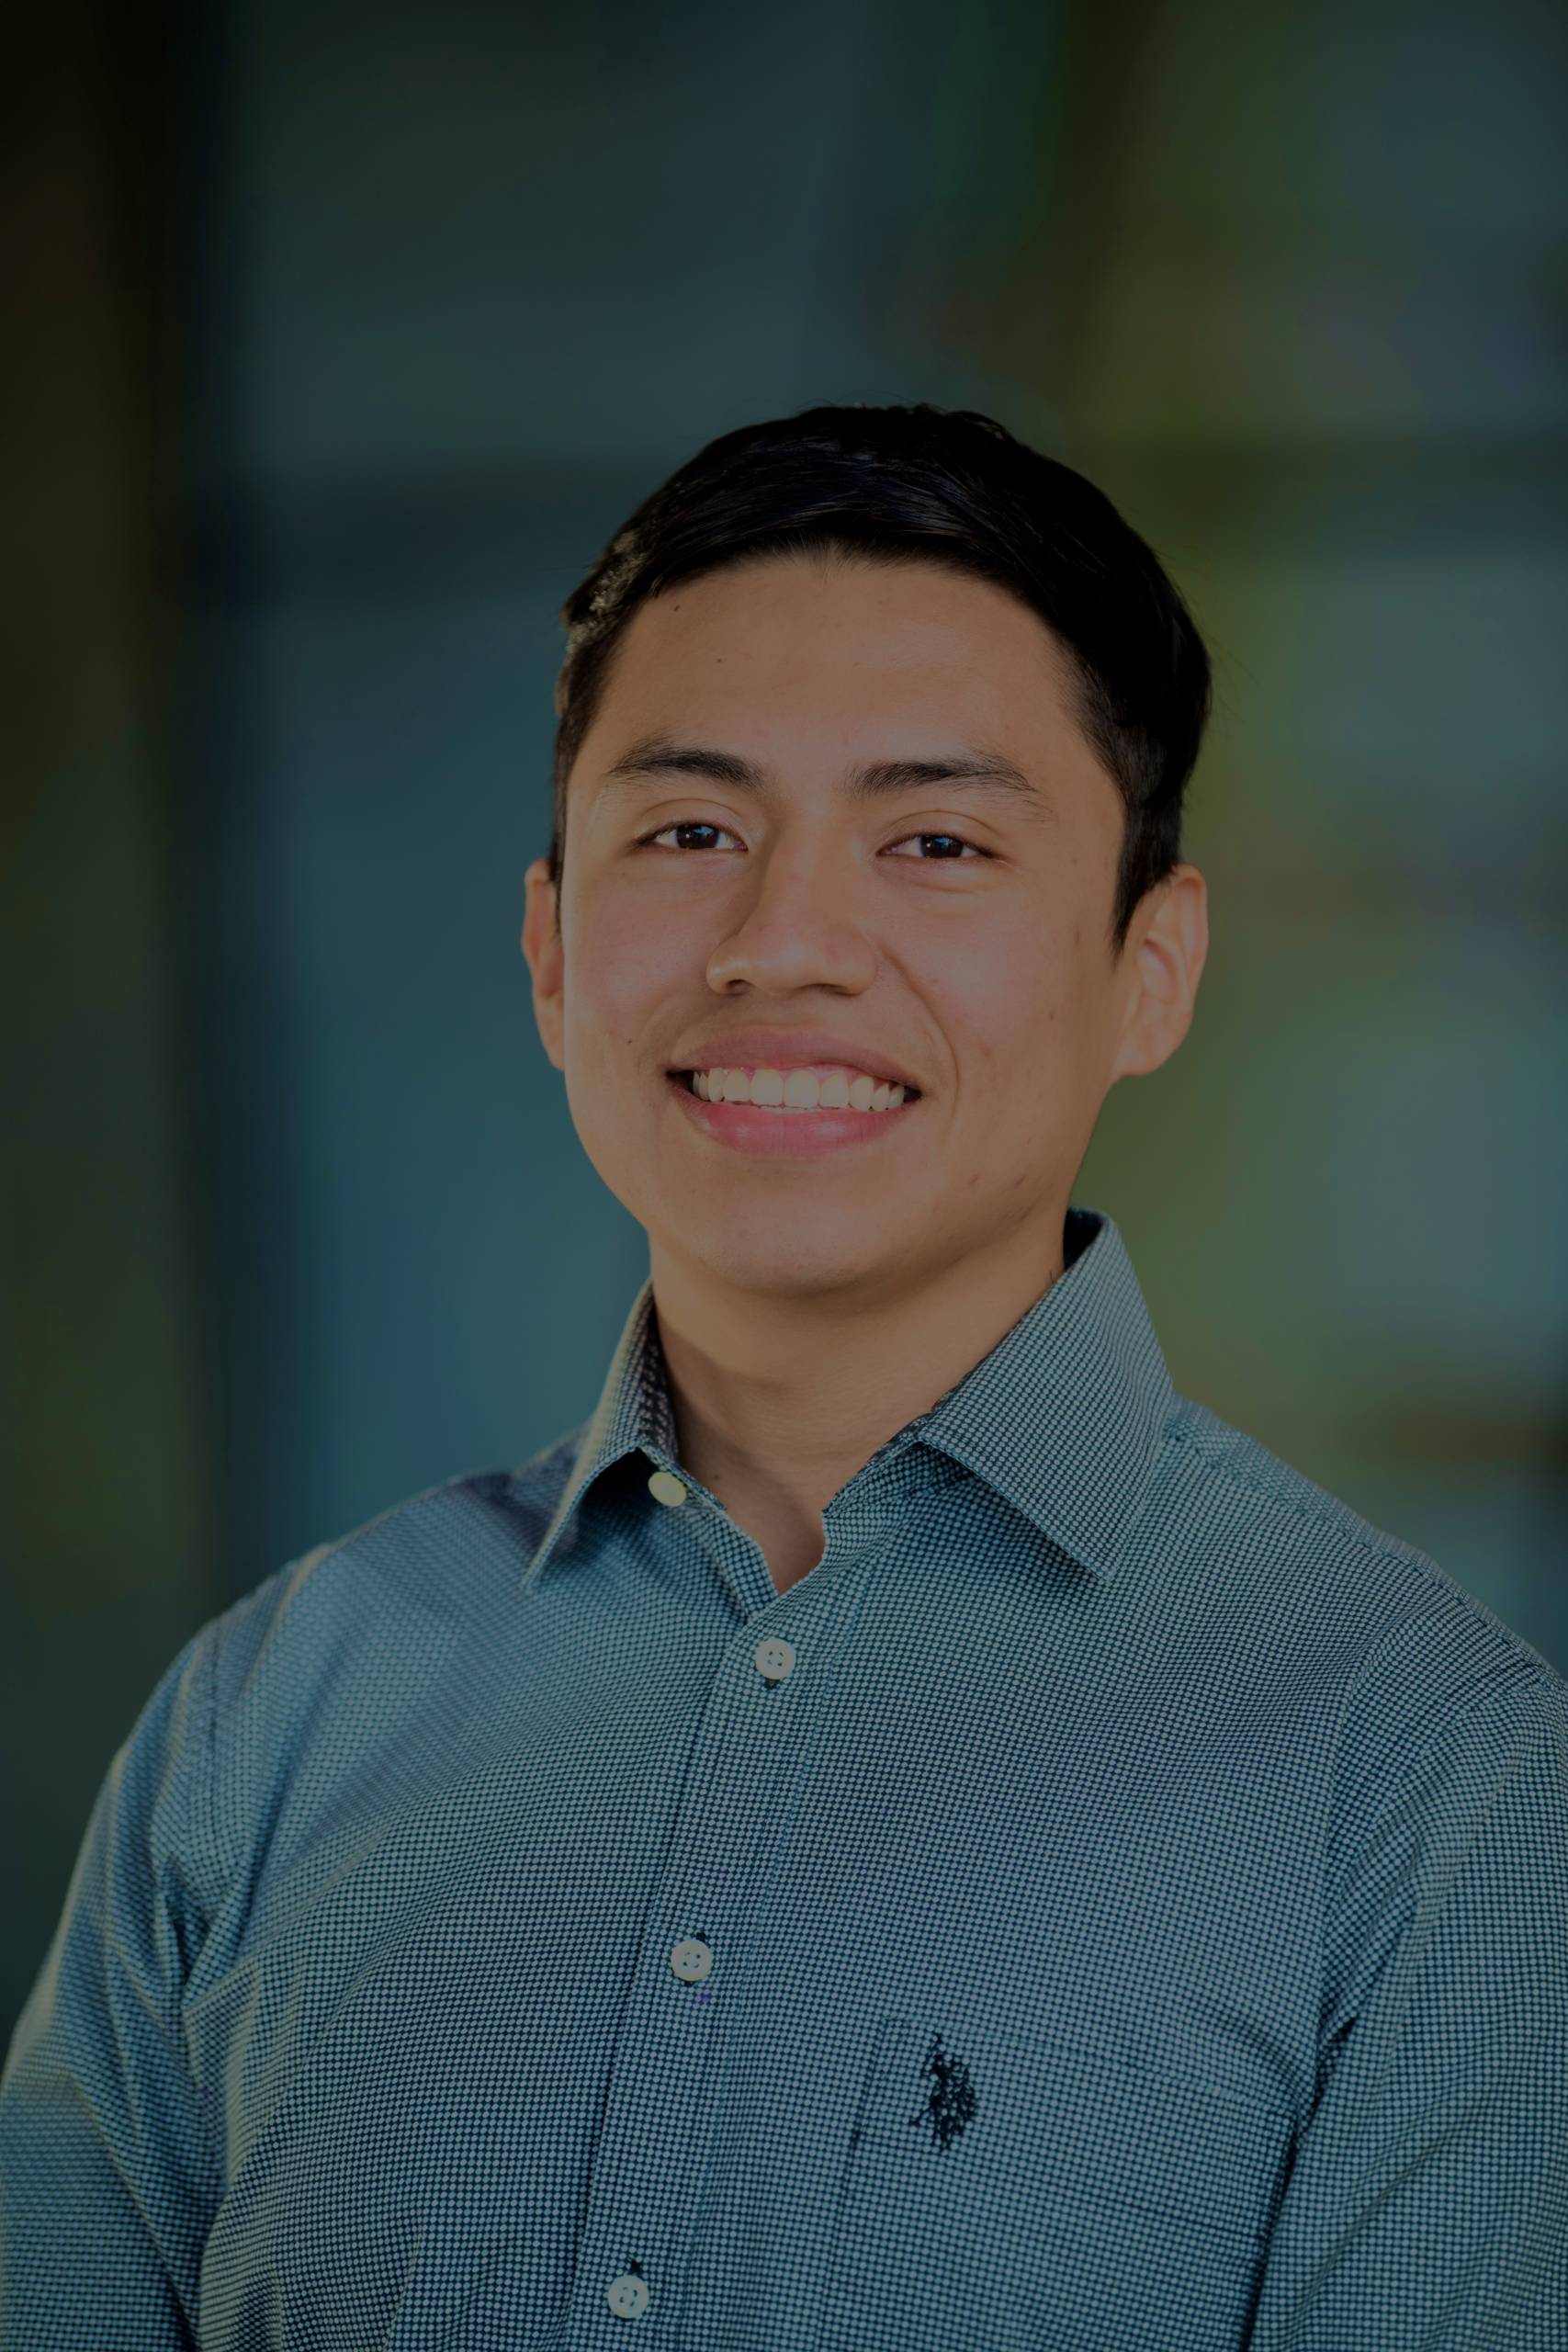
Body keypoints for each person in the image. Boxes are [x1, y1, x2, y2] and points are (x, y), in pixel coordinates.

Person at [3, 401, 1564, 2348]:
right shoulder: (265, 1724)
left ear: (1147, 964)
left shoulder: (1426, 1779)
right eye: (688, 830)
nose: (783, 941)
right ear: (551, 950)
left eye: (932, 837)